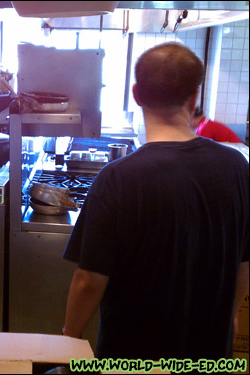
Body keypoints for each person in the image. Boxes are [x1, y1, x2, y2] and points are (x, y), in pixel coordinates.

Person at [63, 42, 249, 363]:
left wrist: (70, 337)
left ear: (136, 94)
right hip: (209, 358)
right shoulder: (237, 167)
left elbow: (89, 282)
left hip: (134, 362)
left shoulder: (117, 178)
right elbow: (244, 261)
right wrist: (231, 315)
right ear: (194, 98)